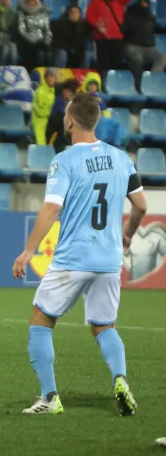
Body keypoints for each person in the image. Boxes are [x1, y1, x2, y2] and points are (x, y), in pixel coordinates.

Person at [12, 92, 145, 416]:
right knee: (104, 327)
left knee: (41, 320)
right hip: (109, 260)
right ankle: (120, 379)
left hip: (73, 258)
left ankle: (49, 397)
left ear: (70, 120)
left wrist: (29, 250)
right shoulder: (121, 158)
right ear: (96, 120)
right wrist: (128, 233)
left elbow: (51, 207)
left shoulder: (65, 160)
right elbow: (141, 205)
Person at [85, 0, 134, 73]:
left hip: (117, 37)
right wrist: (97, 24)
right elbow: (89, 16)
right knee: (101, 63)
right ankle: (101, 83)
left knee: (116, 62)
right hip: (101, 37)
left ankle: (114, 84)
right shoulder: (95, 1)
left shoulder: (119, 0)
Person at [122, 0, 166, 71]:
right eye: (141, 2)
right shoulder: (129, 14)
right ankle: (137, 82)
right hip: (132, 46)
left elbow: (155, 29)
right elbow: (123, 29)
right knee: (138, 58)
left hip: (148, 48)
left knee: (162, 57)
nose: (143, 4)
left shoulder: (151, 16)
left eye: (145, 2)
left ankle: (152, 80)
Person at [16, 0, 52, 70]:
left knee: (46, 54)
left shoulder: (44, 13)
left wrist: (47, 40)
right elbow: (21, 30)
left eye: (33, 0)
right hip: (25, 42)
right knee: (34, 53)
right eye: (29, 0)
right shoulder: (21, 13)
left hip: (41, 41)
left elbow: (47, 30)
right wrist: (31, 40)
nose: (31, 3)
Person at [52, 5, 93, 69]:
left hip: (78, 51)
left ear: (80, 14)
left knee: (87, 54)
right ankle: (59, 73)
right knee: (62, 53)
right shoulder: (60, 24)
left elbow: (82, 42)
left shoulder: (84, 26)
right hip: (64, 49)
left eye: (77, 12)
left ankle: (83, 75)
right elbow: (59, 42)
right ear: (68, 14)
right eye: (72, 12)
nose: (74, 14)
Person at [32, 69, 59, 145]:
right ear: (45, 77)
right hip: (39, 122)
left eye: (53, 76)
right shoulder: (40, 91)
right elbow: (41, 112)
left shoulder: (56, 91)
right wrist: (52, 110)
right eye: (49, 76)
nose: (50, 78)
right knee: (42, 144)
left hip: (52, 121)